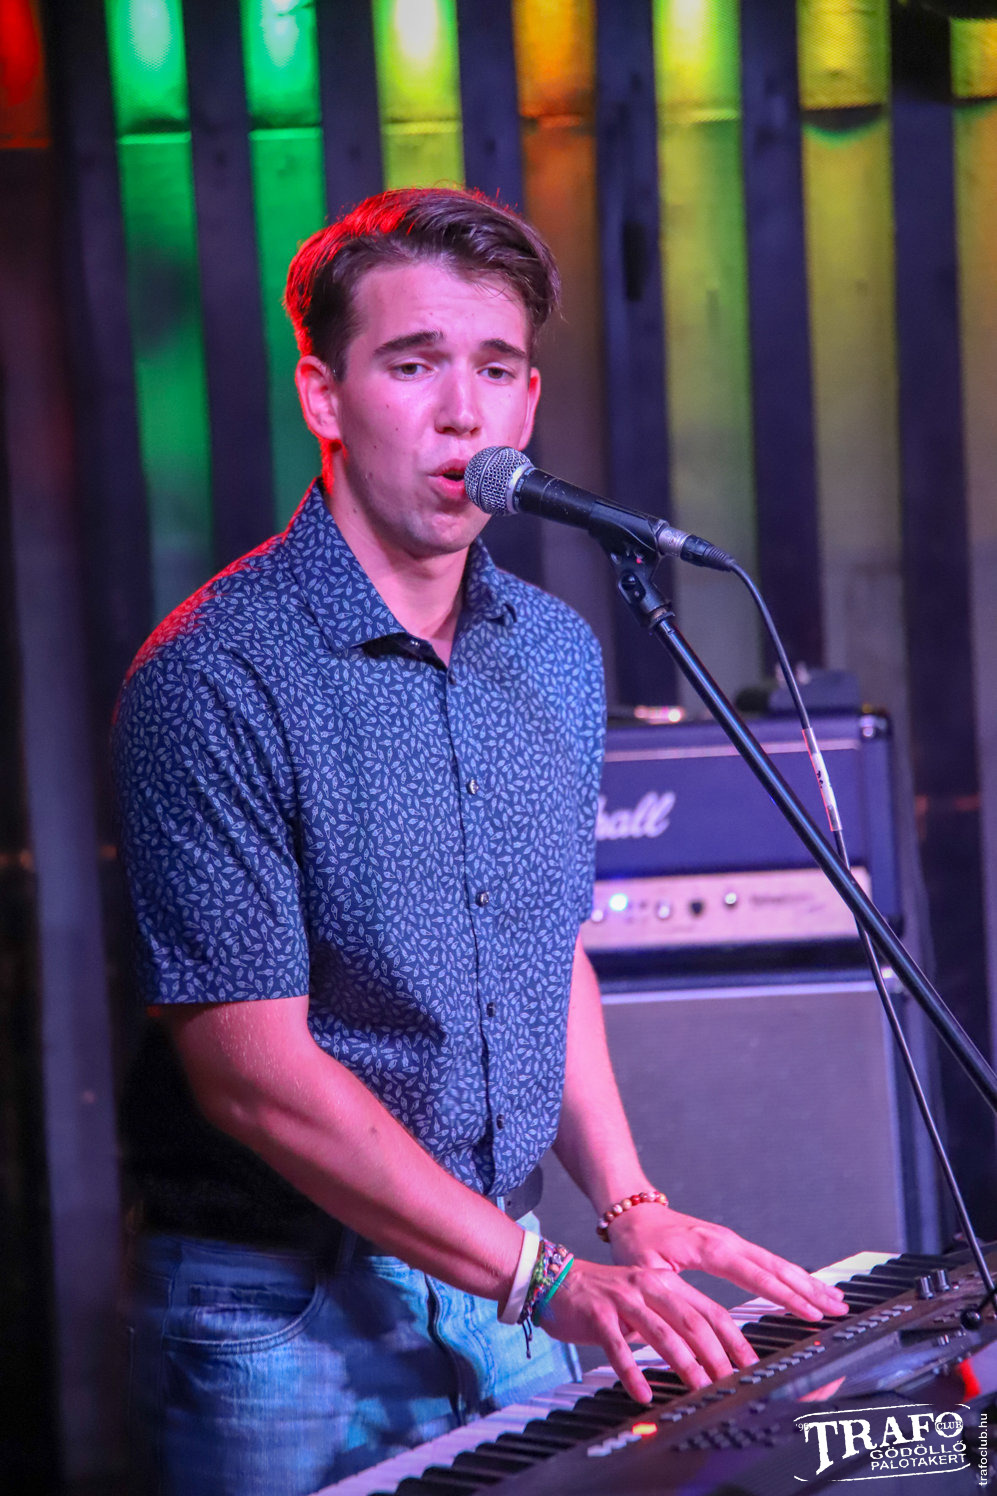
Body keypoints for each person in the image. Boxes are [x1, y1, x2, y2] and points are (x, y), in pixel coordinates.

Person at [112, 187, 845, 1496]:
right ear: (325, 397)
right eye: (414, 365)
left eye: (496, 369)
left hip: (507, 1269)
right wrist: (545, 1278)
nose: (464, 412)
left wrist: (628, 1203)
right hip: (278, 1313)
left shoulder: (553, 655)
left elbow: (544, 951)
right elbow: (249, 1075)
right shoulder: (213, 675)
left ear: (529, 403)